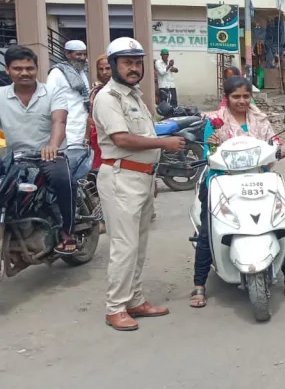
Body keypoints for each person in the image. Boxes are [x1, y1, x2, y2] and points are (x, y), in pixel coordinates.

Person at [92, 37, 186, 331]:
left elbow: (143, 137)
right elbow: (122, 139)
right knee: (124, 245)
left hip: (141, 176)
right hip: (121, 177)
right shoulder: (108, 98)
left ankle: (134, 299)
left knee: (139, 244)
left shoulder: (133, 95)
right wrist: (164, 143)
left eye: (137, 63)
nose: (134, 68)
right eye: (127, 63)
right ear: (112, 65)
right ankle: (115, 307)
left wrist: (152, 173)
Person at [189, 76, 285, 308]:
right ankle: (199, 284)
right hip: (222, 181)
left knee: (277, 222)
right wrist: (211, 145)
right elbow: (207, 153)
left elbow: (274, 141)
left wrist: (283, 149)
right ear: (227, 98)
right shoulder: (215, 121)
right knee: (208, 230)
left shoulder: (260, 119)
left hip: (258, 179)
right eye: (236, 96)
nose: (241, 101)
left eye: (245, 96)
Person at [0, 46, 76, 254]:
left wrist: (52, 145)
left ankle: (67, 231)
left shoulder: (52, 92)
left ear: (36, 69)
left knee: (63, 180)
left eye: (29, 68)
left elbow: (59, 121)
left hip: (50, 154)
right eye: (18, 68)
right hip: (16, 158)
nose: (24, 73)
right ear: (8, 70)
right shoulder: (0, 96)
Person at [47, 40, 92, 182]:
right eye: (78, 54)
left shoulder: (81, 73)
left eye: (84, 54)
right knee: (67, 177)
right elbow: (50, 101)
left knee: (80, 177)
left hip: (81, 133)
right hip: (67, 134)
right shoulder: (56, 73)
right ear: (67, 54)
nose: (82, 58)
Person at [88, 55, 112, 172]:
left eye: (108, 68)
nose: (104, 72)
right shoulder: (96, 90)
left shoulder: (121, 89)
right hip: (98, 135)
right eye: (101, 69)